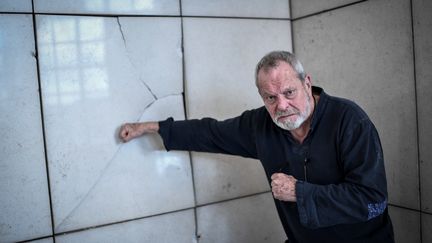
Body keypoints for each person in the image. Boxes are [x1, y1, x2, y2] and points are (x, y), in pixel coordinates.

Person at [119, 51, 395, 243]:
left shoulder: (349, 120)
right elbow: (210, 132)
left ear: (307, 84)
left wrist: (300, 192)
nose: (282, 106)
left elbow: (373, 200)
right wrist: (151, 127)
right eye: (270, 98)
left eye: (289, 92)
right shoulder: (261, 125)